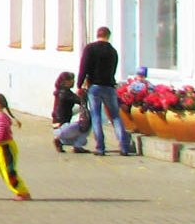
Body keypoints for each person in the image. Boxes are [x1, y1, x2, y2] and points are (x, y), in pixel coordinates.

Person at [76, 26, 133, 156]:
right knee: (115, 116)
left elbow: (83, 67)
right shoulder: (113, 51)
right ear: (108, 36)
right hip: (109, 86)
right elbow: (113, 69)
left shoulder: (90, 49)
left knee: (96, 116)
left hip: (94, 86)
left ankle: (100, 147)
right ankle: (124, 146)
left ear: (97, 35)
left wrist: (79, 85)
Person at [51, 70, 90, 154]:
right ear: (65, 82)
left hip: (57, 126)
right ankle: (76, 146)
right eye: (71, 80)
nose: (73, 82)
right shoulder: (65, 93)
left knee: (84, 140)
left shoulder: (60, 92)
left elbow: (73, 109)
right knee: (87, 124)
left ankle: (61, 141)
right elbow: (81, 101)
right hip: (63, 127)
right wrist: (84, 91)